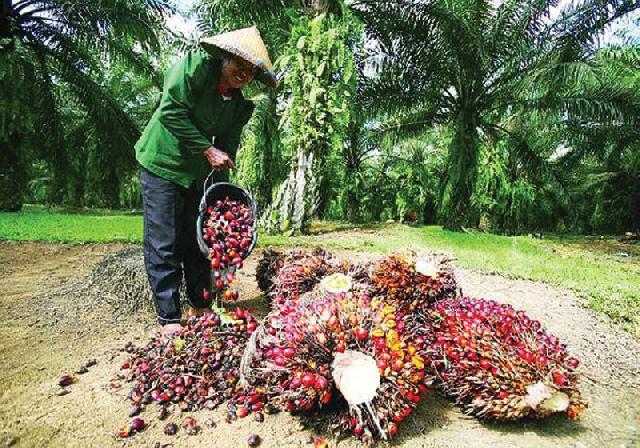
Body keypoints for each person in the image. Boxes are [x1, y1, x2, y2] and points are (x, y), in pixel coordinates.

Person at [135, 26, 277, 338]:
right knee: (165, 241)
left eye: (250, 70)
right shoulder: (195, 69)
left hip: (199, 172)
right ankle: (169, 318)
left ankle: (199, 304)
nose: (243, 74)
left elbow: (226, 148)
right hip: (163, 162)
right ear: (223, 58)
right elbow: (169, 112)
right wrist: (207, 149)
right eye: (238, 64)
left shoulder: (240, 106)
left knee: (201, 239)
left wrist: (223, 200)